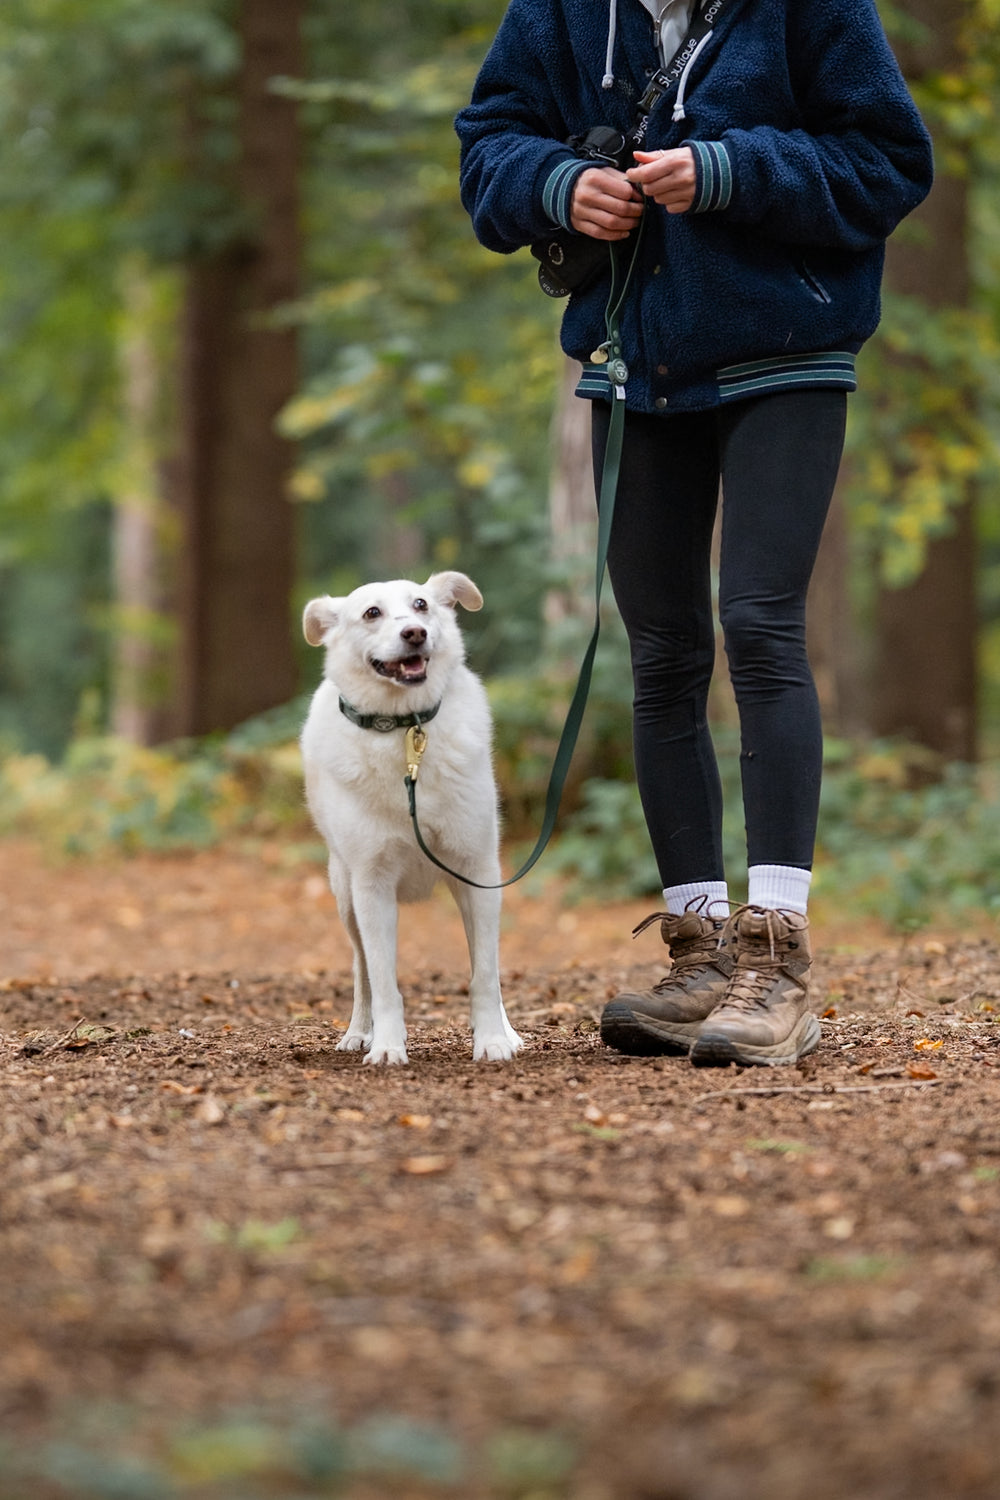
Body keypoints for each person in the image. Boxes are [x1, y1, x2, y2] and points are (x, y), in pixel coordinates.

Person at [455, 0, 933, 1066]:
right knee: (664, 653)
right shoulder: (558, 12)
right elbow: (487, 146)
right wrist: (555, 186)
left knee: (759, 627)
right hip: (636, 365)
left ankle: (776, 959)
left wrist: (728, 170)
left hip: (788, 355)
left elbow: (889, 163)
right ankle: (702, 949)